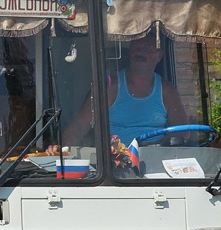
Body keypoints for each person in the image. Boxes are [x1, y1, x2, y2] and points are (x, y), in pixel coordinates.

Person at [58, 29, 187, 150]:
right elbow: (80, 126)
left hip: (155, 163)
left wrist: (154, 147)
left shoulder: (167, 91)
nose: (139, 52)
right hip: (114, 167)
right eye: (136, 48)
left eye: (146, 48)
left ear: (159, 56)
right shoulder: (109, 87)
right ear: (129, 52)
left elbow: (181, 132)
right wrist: (59, 151)